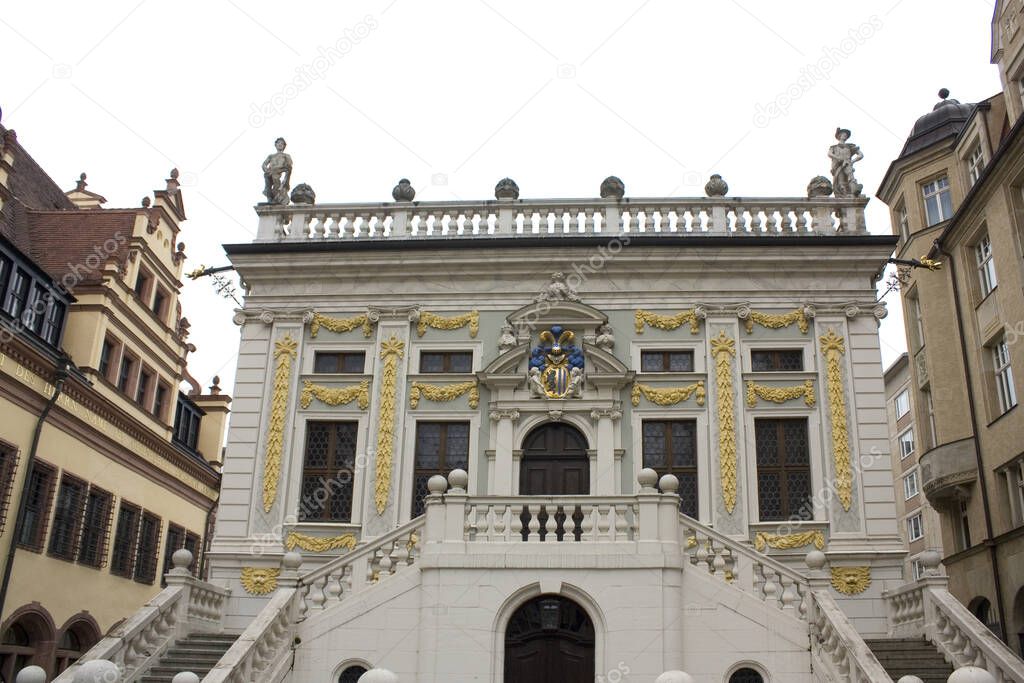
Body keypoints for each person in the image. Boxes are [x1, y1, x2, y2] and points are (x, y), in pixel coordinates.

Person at [828, 128, 863, 198]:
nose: (845, 136)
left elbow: (861, 155)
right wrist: (839, 158)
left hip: (847, 164)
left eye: (846, 135)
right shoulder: (834, 147)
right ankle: (843, 193)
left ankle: (854, 190)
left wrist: (852, 161)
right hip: (838, 166)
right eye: (843, 134)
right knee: (840, 181)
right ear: (839, 136)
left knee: (850, 176)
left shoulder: (850, 146)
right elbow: (829, 154)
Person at [262, 137, 292, 204]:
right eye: (278, 143)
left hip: (278, 172)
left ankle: (276, 198)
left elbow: (289, 166)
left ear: (284, 146)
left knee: (276, 181)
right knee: (267, 178)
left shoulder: (286, 156)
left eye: (282, 143)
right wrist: (266, 170)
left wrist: (283, 169)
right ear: (275, 144)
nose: (280, 144)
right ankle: (269, 197)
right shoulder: (271, 156)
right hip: (270, 172)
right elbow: (264, 164)